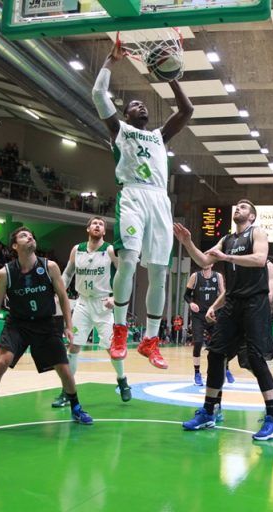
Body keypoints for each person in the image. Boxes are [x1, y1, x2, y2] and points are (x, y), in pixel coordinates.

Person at [91, 34, 193, 370]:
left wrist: (171, 76)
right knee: (129, 261)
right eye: (135, 104)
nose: (142, 106)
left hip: (160, 200)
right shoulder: (119, 130)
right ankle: (120, 330)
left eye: (144, 105)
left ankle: (150, 340)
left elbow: (187, 110)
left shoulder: (159, 136)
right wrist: (111, 60)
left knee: (160, 272)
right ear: (125, 112)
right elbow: (97, 94)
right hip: (133, 195)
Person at [174, 200, 273, 441]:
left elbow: (260, 259)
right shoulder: (226, 239)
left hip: (255, 303)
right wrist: (188, 242)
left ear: (251, 216)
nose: (238, 208)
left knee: (255, 358)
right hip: (233, 304)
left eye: (244, 207)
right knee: (215, 354)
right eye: (237, 206)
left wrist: (227, 258)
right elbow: (204, 261)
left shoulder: (257, 232)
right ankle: (209, 411)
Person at [0, 227, 92, 433]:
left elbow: (63, 297)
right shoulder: (4, 274)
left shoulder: (50, 267)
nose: (30, 236)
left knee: (64, 368)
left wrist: (69, 327)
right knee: (1, 363)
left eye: (31, 234)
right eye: (23, 236)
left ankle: (76, 408)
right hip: (18, 324)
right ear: (15, 246)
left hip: (45, 323)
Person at [52, 216, 131, 408]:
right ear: (88, 229)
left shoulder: (110, 250)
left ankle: (122, 380)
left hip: (103, 304)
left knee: (112, 349)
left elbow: (125, 275)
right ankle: (67, 391)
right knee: (73, 346)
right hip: (83, 304)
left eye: (101, 224)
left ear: (104, 231)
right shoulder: (77, 249)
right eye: (94, 223)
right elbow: (68, 273)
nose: (97, 226)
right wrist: (59, 292)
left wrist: (116, 298)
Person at [184, 265, 226, 386]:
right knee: (198, 342)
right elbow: (186, 295)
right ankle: (197, 373)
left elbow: (223, 295)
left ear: (212, 263)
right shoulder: (195, 276)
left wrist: (219, 308)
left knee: (219, 343)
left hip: (212, 315)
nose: (205, 262)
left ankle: (223, 370)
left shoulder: (218, 276)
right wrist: (191, 303)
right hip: (198, 315)